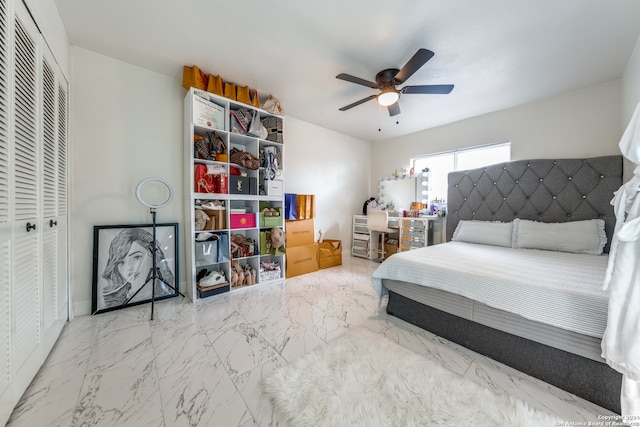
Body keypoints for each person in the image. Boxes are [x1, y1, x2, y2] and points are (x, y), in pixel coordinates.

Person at [99, 228, 175, 309]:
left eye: (136, 257)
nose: (129, 267)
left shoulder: (167, 290)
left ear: (154, 256)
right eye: (121, 262)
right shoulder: (112, 301)